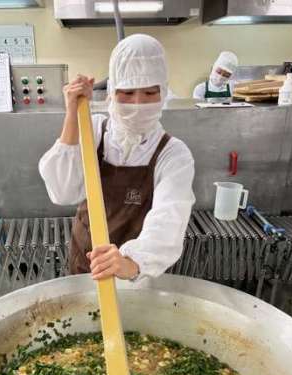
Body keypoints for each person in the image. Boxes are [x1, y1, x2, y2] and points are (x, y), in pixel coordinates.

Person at [39, 34, 195, 282]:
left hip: (138, 275)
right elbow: (63, 192)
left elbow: (168, 221)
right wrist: (72, 113)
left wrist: (131, 263)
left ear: (164, 92)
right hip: (86, 265)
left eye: (150, 92)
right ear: (111, 92)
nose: (138, 103)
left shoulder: (173, 154)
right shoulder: (92, 130)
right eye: (127, 92)